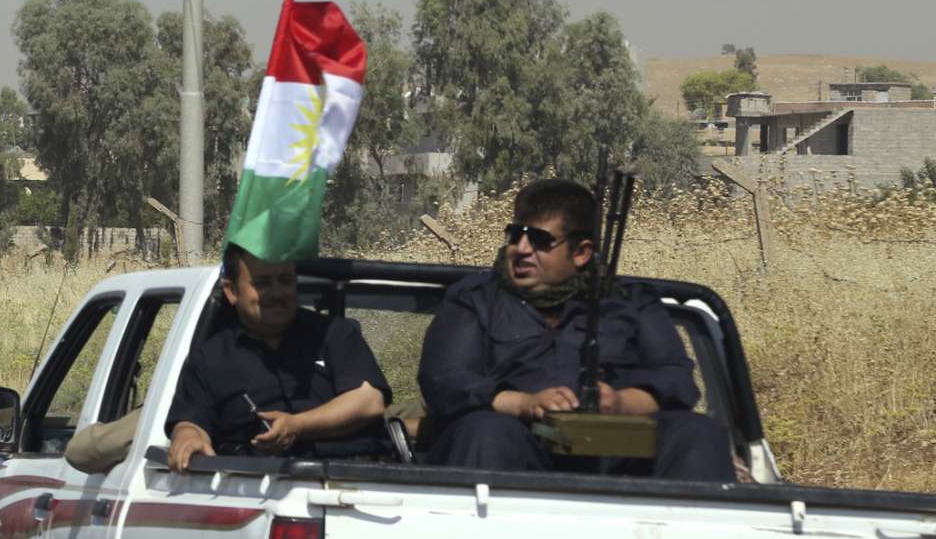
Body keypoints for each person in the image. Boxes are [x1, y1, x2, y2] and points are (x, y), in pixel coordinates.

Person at [416, 178, 732, 481]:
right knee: (484, 432)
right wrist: (524, 404)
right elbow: (445, 381)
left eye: (540, 240)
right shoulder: (476, 299)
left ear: (581, 252)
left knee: (697, 432)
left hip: (616, 455)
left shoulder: (631, 302)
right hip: (513, 448)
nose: (522, 249)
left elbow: (675, 379)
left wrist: (620, 402)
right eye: (515, 235)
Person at [167, 246, 391, 471]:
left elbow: (369, 401)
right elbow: (191, 421)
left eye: (285, 280)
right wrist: (187, 438)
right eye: (261, 283)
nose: (276, 293)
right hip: (251, 490)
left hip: (359, 480)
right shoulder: (209, 359)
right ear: (231, 291)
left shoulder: (335, 333)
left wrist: (297, 425)